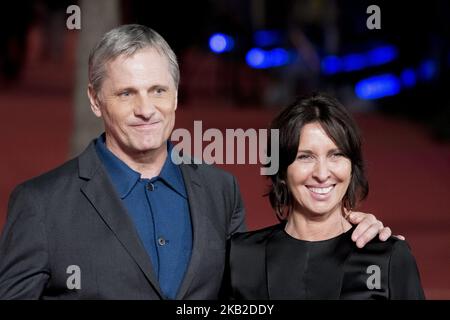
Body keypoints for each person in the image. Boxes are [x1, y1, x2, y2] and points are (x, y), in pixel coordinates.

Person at [0, 25, 393, 300]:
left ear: (175, 96)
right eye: (125, 93)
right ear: (94, 99)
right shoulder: (41, 205)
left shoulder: (219, 189)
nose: (145, 109)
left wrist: (346, 234)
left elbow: (255, 288)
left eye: (158, 90)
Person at [226, 93, 425, 300]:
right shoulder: (241, 256)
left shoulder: (388, 256)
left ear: (352, 167)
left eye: (336, 155)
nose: (322, 174)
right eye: (305, 157)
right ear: (282, 170)